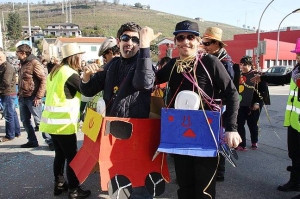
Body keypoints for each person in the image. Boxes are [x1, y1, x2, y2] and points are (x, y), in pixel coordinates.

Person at [155, 20, 241, 199]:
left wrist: (231, 128)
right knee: (184, 187)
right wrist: (143, 49)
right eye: (181, 37)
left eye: (190, 37)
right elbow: (148, 80)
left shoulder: (210, 62)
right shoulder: (172, 65)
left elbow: (232, 93)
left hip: (206, 135)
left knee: (204, 189)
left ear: (198, 40)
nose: (185, 41)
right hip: (179, 135)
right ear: (175, 41)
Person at [80, 22, 160, 199]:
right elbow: (89, 89)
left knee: (138, 181)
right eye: (125, 38)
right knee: (117, 177)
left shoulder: (146, 64)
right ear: (118, 41)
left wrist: (146, 47)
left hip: (137, 132)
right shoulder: (113, 64)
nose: (129, 42)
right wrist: (86, 76)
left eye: (135, 39)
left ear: (140, 43)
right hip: (113, 131)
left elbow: (144, 83)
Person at [39, 43, 91, 199]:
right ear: (74, 57)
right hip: (63, 124)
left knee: (60, 155)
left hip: (52, 123)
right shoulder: (70, 74)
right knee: (72, 157)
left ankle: (59, 185)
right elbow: (86, 90)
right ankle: (74, 190)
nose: (82, 59)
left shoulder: (55, 71)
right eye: (80, 56)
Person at [251, 38, 300, 199]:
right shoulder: (297, 70)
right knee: (294, 154)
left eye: (299, 54)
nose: (297, 57)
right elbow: (284, 79)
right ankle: (295, 181)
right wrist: (263, 77)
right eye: (297, 54)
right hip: (294, 121)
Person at [236, 56, 269, 151]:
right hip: (241, 104)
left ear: (250, 65)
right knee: (239, 123)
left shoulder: (257, 75)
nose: (242, 67)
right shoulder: (239, 75)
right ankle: (242, 144)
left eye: (245, 65)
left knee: (252, 124)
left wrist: (258, 103)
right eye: (241, 64)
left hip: (254, 104)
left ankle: (254, 141)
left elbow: (263, 91)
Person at [16, 44, 46, 148]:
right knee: (25, 120)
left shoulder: (34, 62)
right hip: (23, 96)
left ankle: (50, 141)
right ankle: (32, 141)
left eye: (17, 52)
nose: (16, 55)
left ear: (23, 53)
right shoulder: (23, 63)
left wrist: (39, 96)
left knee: (39, 121)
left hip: (33, 97)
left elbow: (43, 79)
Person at [0, 50, 21, 142]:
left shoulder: (7, 67)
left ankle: (10, 135)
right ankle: (16, 132)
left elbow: (6, 82)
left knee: (9, 114)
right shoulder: (4, 66)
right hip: (8, 92)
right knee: (12, 113)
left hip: (7, 93)